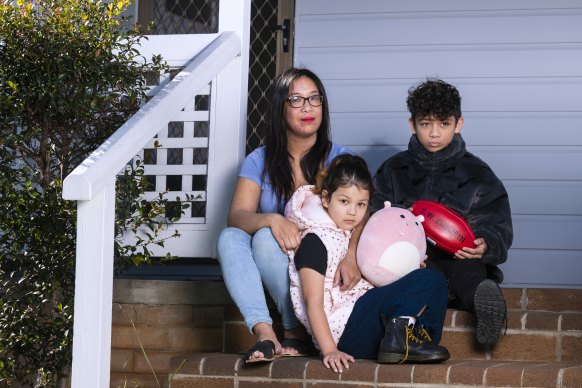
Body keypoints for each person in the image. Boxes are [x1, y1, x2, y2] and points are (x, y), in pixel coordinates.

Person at [217, 68, 362, 364]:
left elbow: (364, 211)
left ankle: (295, 329)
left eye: (314, 99)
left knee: (262, 240)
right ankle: (266, 333)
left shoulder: (339, 157)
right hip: (279, 255)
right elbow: (236, 215)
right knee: (233, 236)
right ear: (280, 108)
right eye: (296, 100)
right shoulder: (260, 159)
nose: (307, 108)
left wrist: (352, 255)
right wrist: (271, 219)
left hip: (321, 266)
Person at [370, 79, 513, 347]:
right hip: (410, 263)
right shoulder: (392, 170)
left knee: (470, 273)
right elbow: (374, 218)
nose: (434, 133)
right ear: (412, 124)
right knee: (412, 276)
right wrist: (399, 251)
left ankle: (484, 301)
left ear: (458, 123)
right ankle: (408, 326)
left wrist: (484, 243)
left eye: (444, 124)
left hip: (458, 261)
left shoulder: (478, 174)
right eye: (425, 124)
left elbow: (496, 221)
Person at [286, 154, 450, 373]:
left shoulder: (349, 234)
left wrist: (409, 277)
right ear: (325, 199)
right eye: (344, 202)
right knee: (428, 280)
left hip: (360, 315)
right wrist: (329, 350)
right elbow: (312, 301)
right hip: (343, 333)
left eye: (361, 204)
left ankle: (412, 342)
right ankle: (403, 342)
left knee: (432, 280)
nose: (352, 212)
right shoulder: (315, 241)